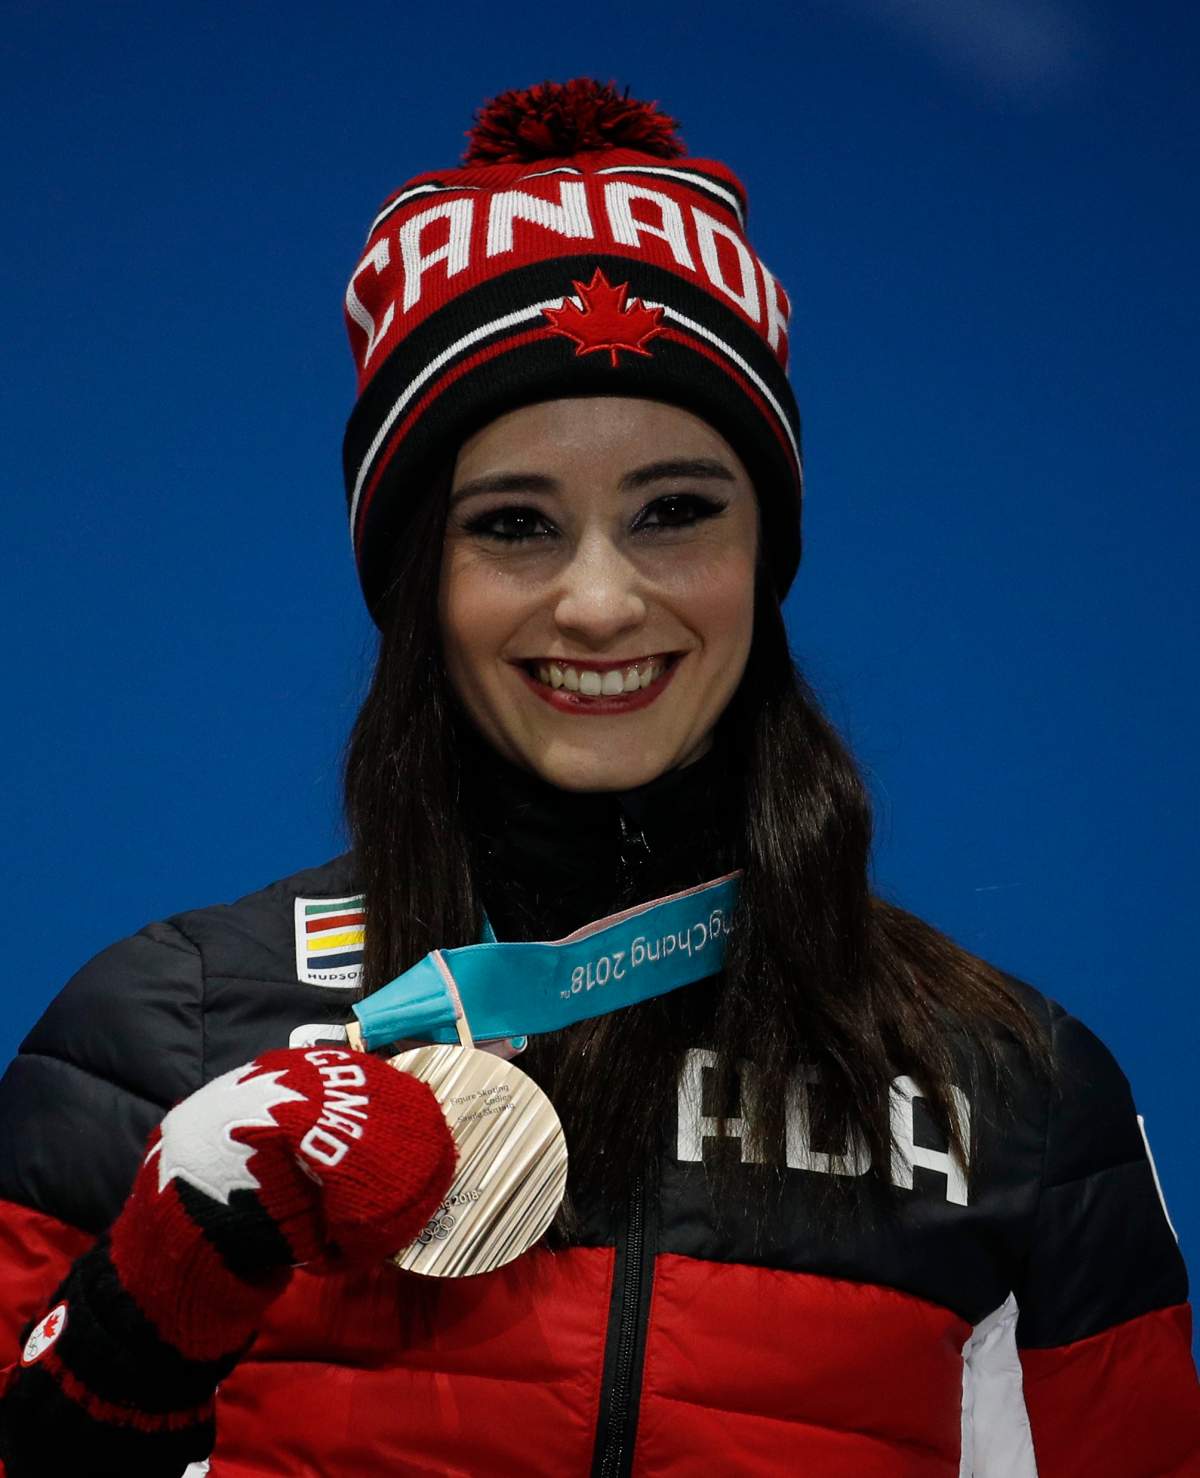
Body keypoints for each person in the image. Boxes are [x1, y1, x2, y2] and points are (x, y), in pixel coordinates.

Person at [0, 78, 1196, 1478]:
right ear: (416, 584)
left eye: (676, 510)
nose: (601, 603)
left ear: (768, 552)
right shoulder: (163, 1040)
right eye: (514, 524)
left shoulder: (1014, 1095)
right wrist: (158, 1290)